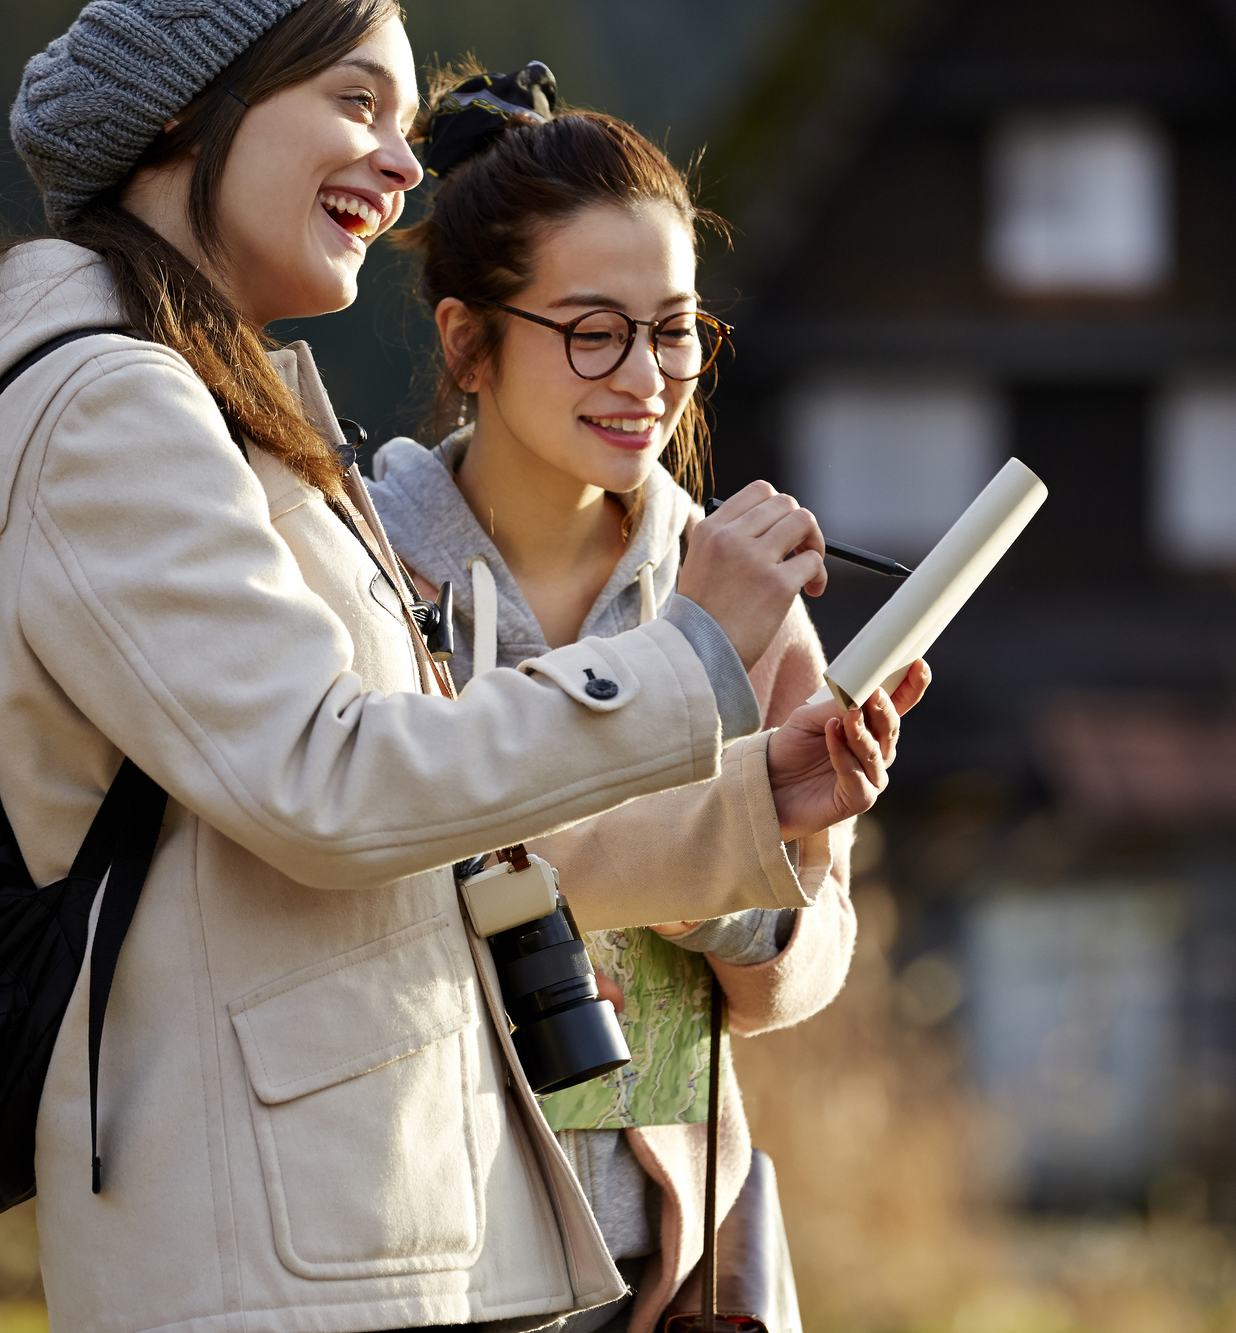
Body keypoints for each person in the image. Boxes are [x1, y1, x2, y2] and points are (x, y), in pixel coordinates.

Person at [0, 3, 922, 1331]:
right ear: (194, 111)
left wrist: (752, 808)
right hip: (283, 1240)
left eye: (677, 330)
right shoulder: (112, 408)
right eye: (358, 104)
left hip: (402, 1227)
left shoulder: (184, 397)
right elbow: (337, 783)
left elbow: (396, 814)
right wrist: (693, 660)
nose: (406, 162)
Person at [369, 67, 924, 1333]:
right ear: (468, 341)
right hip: (415, 1236)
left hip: (660, 1261)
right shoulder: (364, 571)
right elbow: (383, 863)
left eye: (672, 327)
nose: (645, 378)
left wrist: (744, 907)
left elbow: (813, 945)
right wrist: (704, 819)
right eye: (590, 329)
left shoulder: (735, 583)